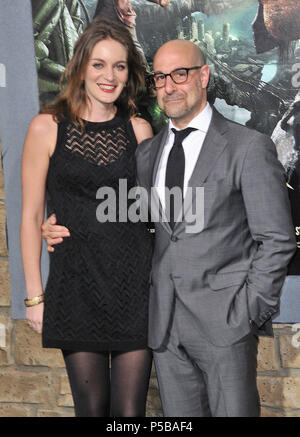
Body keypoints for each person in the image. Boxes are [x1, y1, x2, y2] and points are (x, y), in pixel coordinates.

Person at [42, 39, 296, 417]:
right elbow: (126, 217)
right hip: (163, 329)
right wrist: (58, 225)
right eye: (160, 77)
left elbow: (276, 240)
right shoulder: (148, 153)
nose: (169, 86)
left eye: (181, 73)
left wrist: (247, 311)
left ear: (204, 76)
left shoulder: (247, 147)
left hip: (226, 325)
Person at [20, 19, 154, 417]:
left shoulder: (141, 130)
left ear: (129, 73)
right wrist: (34, 297)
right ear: (80, 67)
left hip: (135, 290)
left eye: (119, 66)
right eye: (98, 64)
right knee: (91, 410)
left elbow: (152, 213)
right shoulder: (46, 128)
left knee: (130, 415)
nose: (109, 76)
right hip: (76, 288)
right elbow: (29, 216)